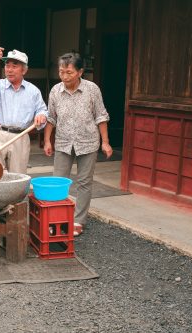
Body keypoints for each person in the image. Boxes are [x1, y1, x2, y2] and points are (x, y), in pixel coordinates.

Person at [43, 52, 113, 236]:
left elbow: (101, 116)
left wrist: (105, 142)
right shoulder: (55, 91)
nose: (64, 77)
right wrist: (47, 140)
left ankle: (78, 220)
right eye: (61, 72)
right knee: (58, 182)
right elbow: (51, 117)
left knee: (84, 182)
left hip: (88, 141)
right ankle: (56, 219)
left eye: (69, 72)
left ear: (80, 72)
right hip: (63, 141)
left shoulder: (92, 89)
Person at [0, 47, 47, 174]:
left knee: (17, 177)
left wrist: (41, 116)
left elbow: (42, 110)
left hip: (20, 136)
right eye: (7, 66)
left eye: (14, 66)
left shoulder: (33, 91)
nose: (9, 70)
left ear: (24, 70)